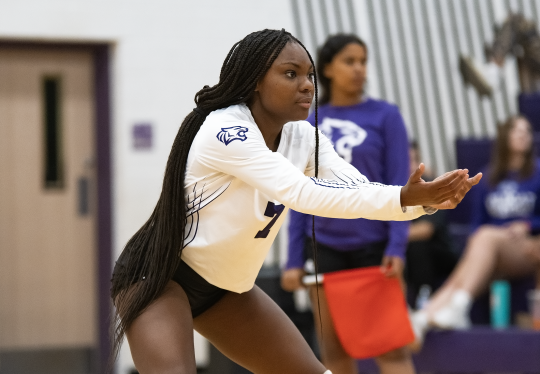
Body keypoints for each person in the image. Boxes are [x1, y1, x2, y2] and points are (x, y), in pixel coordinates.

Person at [110, 29, 480, 374]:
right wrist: (402, 197)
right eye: (291, 74)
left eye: (310, 76)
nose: (306, 85)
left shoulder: (304, 137)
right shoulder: (226, 130)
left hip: (227, 290)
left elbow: (358, 188)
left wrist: (423, 202)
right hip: (158, 276)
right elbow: (302, 194)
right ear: (256, 80)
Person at [280, 34, 418, 374]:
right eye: (349, 61)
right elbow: (299, 193)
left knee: (391, 350)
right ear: (327, 68)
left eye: (363, 61)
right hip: (323, 246)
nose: (359, 69)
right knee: (334, 349)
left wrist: (397, 247)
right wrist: (293, 259)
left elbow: (400, 186)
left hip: (374, 247)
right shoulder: (309, 121)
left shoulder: (386, 115)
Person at [412, 115, 540, 344]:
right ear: (504, 137)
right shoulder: (489, 176)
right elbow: (476, 224)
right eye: (516, 130)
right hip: (492, 248)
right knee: (479, 244)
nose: (523, 135)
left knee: (485, 238)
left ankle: (454, 307)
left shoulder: (537, 172)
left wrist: (528, 224)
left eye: (527, 131)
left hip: (528, 247)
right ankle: (427, 316)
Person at [406, 141, 458, 308]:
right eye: (405, 160)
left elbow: (425, 230)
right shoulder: (387, 189)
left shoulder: (431, 186)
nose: (411, 166)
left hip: (438, 253)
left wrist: (390, 234)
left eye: (414, 160)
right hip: (405, 253)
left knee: (418, 245)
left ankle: (424, 300)